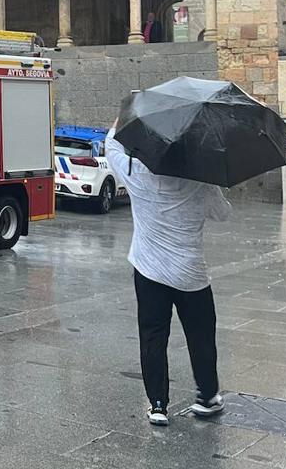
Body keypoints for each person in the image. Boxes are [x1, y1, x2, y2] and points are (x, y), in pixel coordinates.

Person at [105, 128, 231, 427]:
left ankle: (158, 405)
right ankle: (207, 397)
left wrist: (121, 121)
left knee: (152, 337)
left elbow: (111, 148)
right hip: (191, 275)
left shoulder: (138, 174)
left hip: (149, 271)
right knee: (201, 336)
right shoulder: (201, 183)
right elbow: (223, 214)